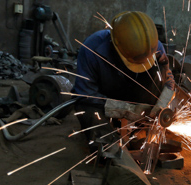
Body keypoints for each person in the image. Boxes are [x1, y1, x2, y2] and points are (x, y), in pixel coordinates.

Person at [72, 11, 175, 145]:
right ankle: (106, 146)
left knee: (158, 73)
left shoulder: (153, 48)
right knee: (87, 111)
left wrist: (163, 103)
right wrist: (125, 110)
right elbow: (84, 95)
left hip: (135, 95)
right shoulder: (91, 49)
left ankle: (142, 128)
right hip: (102, 100)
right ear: (116, 45)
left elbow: (168, 80)